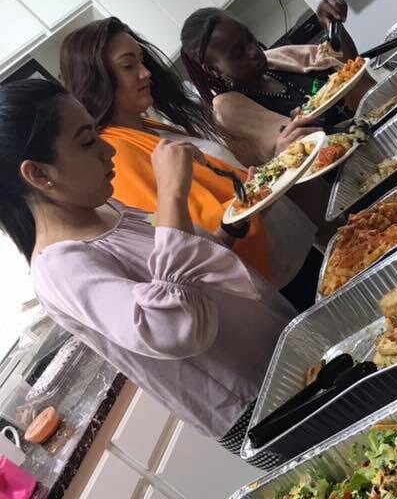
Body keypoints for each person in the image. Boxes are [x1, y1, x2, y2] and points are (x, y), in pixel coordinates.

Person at [0, 78, 293, 457]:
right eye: (87, 141)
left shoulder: (107, 209)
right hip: (255, 403)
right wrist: (171, 190)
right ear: (39, 174)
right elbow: (170, 325)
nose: (107, 151)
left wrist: (232, 226)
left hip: (279, 345)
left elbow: (188, 272)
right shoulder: (59, 268)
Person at [59, 17, 321, 310]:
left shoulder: (148, 128)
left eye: (142, 61)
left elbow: (228, 184)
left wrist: (274, 167)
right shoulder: (118, 153)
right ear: (97, 78)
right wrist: (278, 170)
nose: (145, 73)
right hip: (279, 281)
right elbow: (199, 235)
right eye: (128, 65)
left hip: (291, 254)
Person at [180, 0, 374, 166]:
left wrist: (332, 24)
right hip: (351, 171)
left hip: (376, 128)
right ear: (213, 69)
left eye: (250, 38)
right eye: (238, 53)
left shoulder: (281, 59)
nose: (253, 52)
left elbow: (348, 68)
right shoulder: (236, 114)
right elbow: (284, 160)